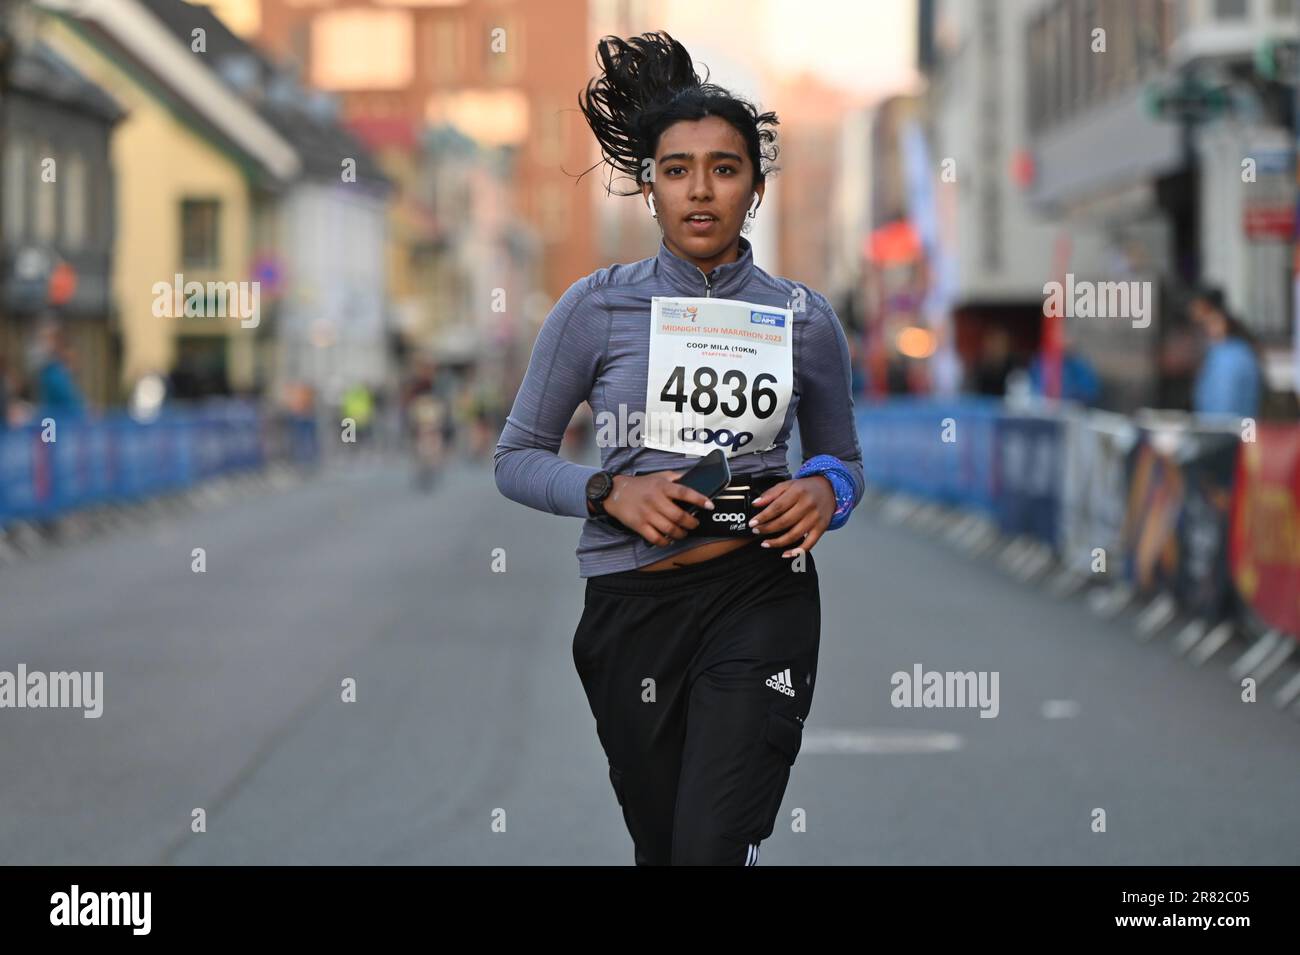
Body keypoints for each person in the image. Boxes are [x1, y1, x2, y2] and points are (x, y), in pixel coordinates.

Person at [494, 31, 863, 866]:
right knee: (665, 849)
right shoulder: (594, 309)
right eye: (676, 169)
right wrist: (608, 494)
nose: (701, 190)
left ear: (756, 187)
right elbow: (515, 458)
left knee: (708, 846)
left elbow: (847, 462)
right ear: (648, 187)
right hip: (632, 608)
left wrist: (825, 490)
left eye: (725, 169)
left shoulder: (805, 319)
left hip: (759, 591)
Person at [1188, 287, 1262, 419]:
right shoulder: (1228, 352)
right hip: (1236, 432)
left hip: (1228, 434)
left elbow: (1222, 412)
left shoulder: (1229, 358)